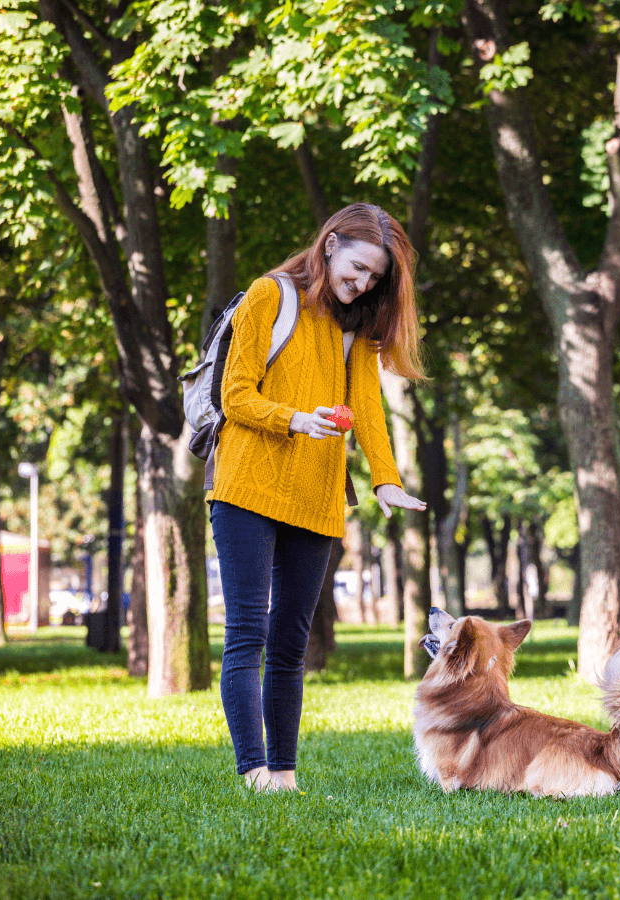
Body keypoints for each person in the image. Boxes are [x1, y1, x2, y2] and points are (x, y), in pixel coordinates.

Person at [207, 202, 427, 792]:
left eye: (374, 278)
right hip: (247, 486)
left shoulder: (355, 327)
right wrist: (296, 419)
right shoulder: (270, 295)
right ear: (330, 245)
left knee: (290, 644)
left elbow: (369, 409)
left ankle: (284, 774)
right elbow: (235, 396)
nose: (363, 284)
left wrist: (385, 479)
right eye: (358, 269)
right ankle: (253, 771)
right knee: (247, 634)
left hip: (317, 493)